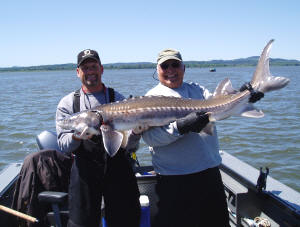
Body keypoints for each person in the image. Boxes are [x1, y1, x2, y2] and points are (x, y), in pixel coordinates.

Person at [138, 48, 264, 227]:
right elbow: (150, 139)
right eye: (165, 66)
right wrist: (180, 127)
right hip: (173, 180)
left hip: (208, 175)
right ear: (157, 70)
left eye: (175, 64)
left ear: (184, 67)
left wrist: (243, 96)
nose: (170, 70)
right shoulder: (149, 99)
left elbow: (221, 108)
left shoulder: (197, 90)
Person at [56, 49, 141, 227]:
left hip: (117, 169)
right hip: (85, 172)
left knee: (126, 220)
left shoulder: (117, 98)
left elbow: (129, 146)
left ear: (101, 69)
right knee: (81, 223)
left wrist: (136, 132)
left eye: (93, 66)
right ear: (78, 72)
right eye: (85, 67)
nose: (90, 71)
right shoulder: (68, 104)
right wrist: (77, 137)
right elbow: (63, 145)